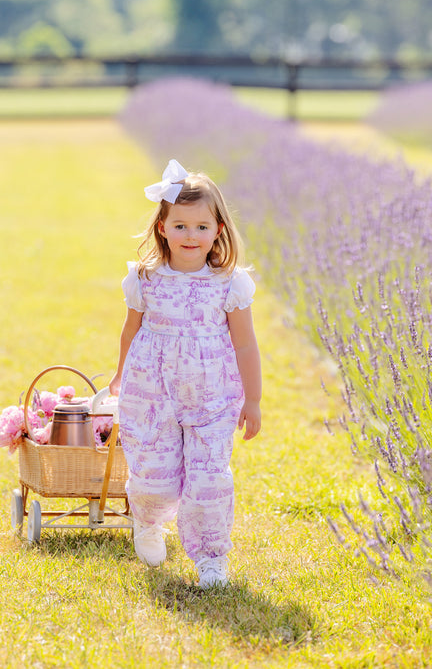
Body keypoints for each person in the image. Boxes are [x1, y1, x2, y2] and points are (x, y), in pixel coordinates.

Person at [109, 159, 261, 589]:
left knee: (210, 477)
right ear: (162, 228)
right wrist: (120, 378)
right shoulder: (145, 279)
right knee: (153, 472)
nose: (190, 236)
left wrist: (253, 399)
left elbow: (246, 344)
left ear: (218, 230)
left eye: (200, 226)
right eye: (180, 226)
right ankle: (149, 521)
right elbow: (130, 331)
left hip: (212, 395)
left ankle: (211, 557)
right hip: (152, 391)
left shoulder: (229, 284)